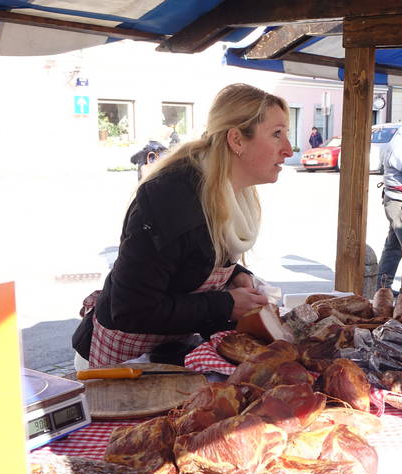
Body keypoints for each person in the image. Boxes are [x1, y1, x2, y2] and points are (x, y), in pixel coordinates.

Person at [72, 83, 293, 369]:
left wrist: (236, 275)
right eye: (277, 134)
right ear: (236, 140)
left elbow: (190, 259)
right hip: (120, 360)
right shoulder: (171, 199)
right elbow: (131, 309)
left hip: (165, 351)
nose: (288, 150)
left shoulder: (232, 192)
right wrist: (226, 305)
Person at [375, 125, 402, 288]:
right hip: (398, 201)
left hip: (395, 199)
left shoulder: (397, 141)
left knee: (393, 247)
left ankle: (383, 287)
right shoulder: (401, 145)